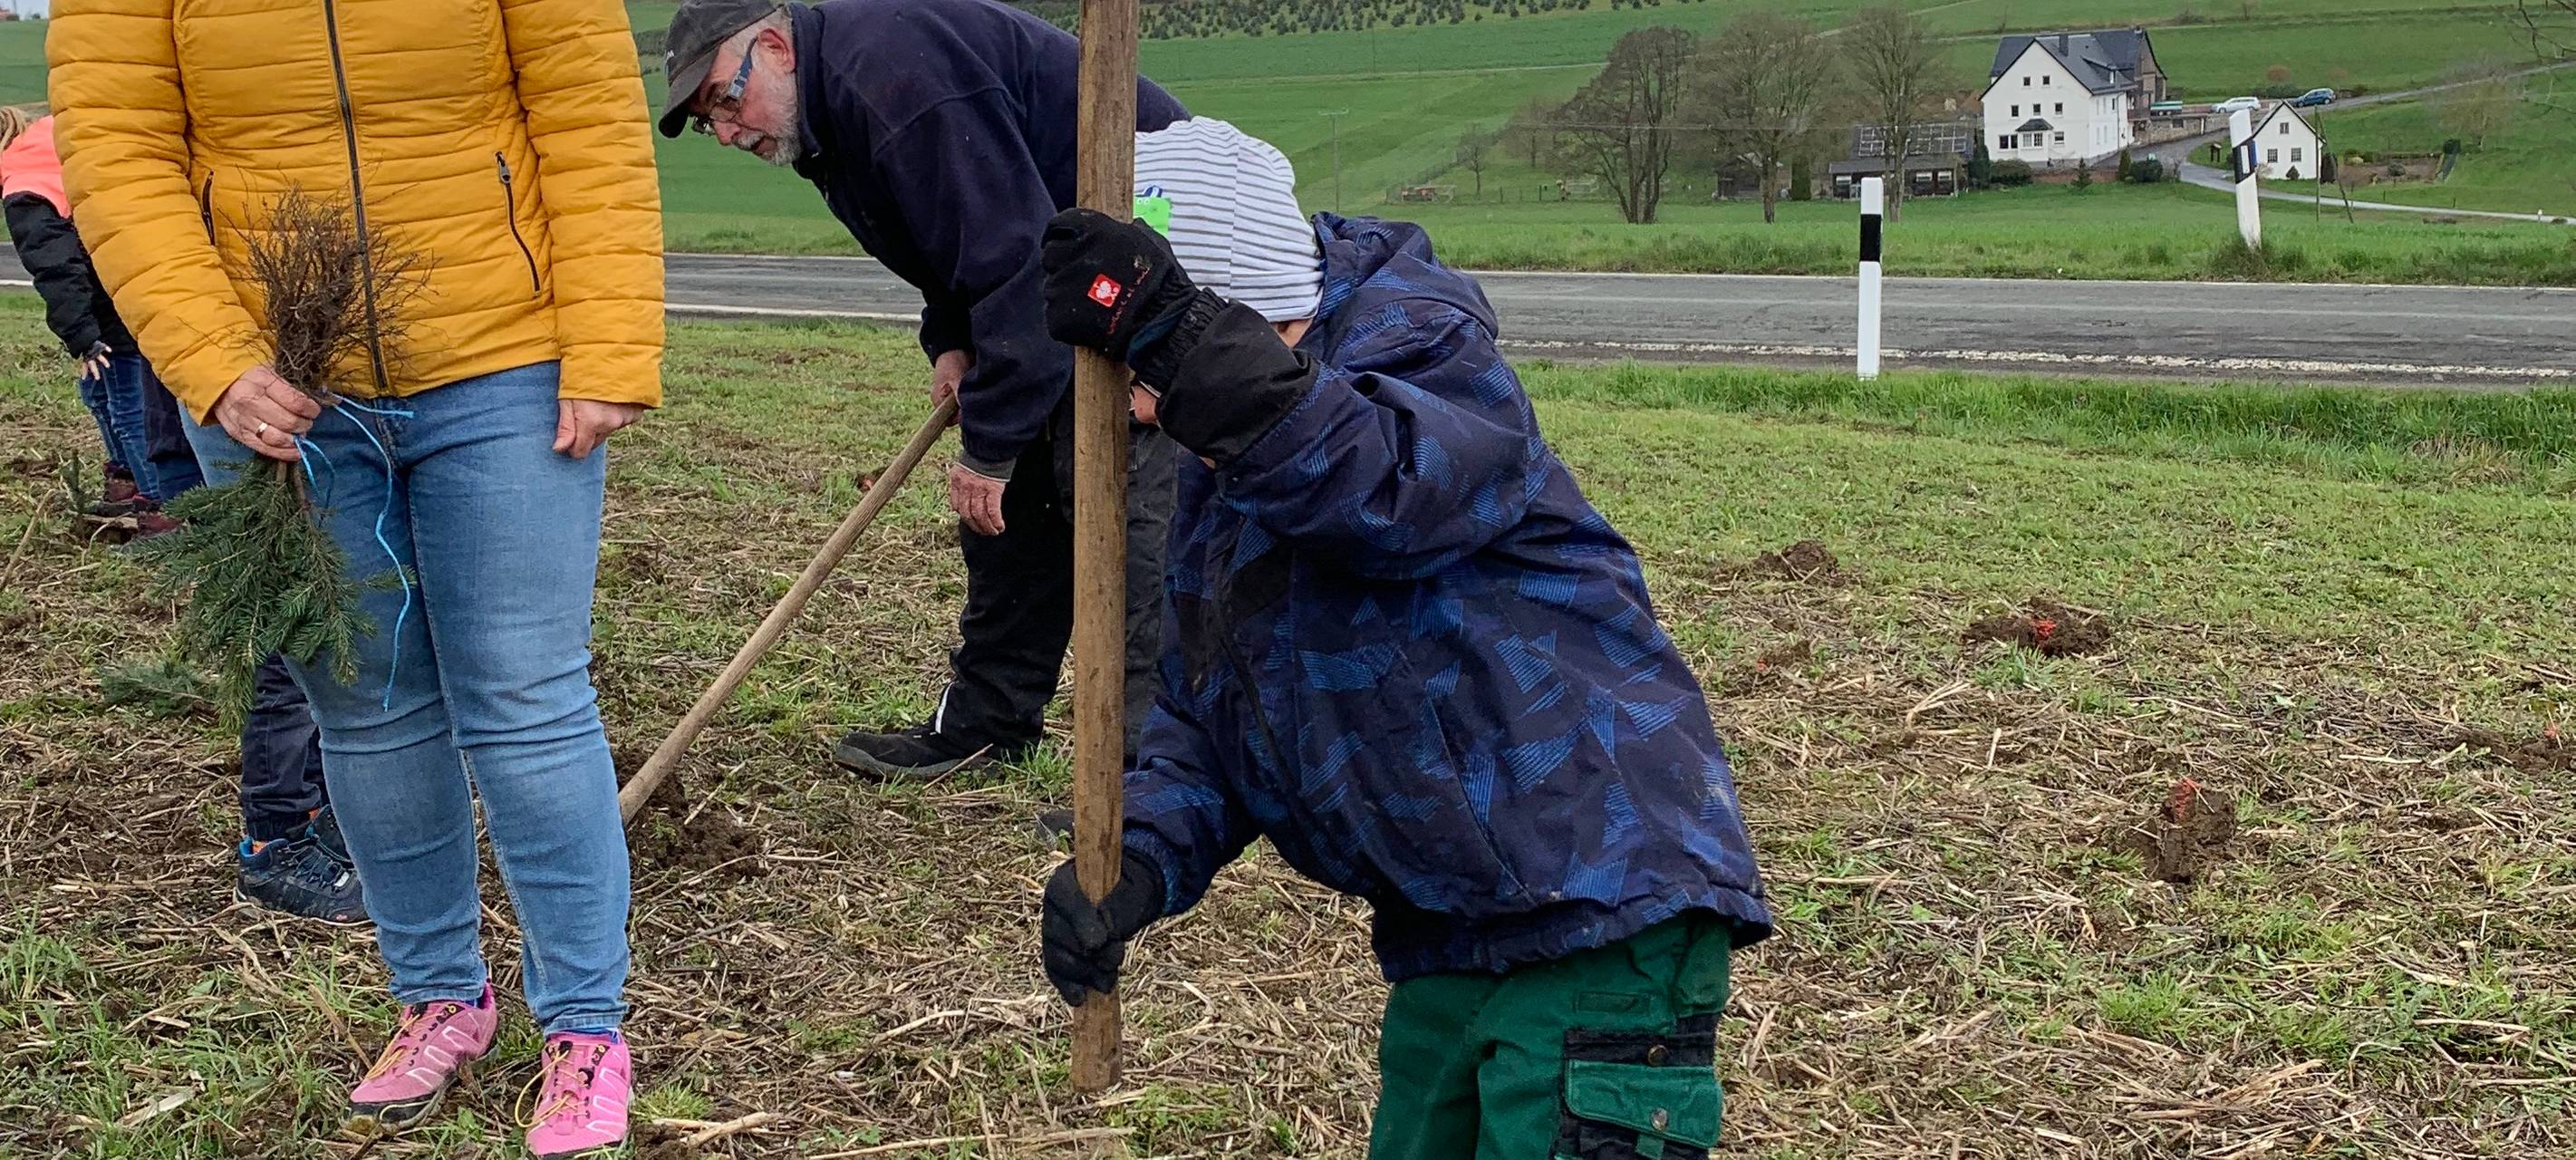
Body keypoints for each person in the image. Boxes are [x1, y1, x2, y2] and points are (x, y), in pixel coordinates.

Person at [1035, 121, 1773, 1158]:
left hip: (1600, 906)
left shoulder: (1423, 361)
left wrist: (1177, 340)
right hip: (1447, 931)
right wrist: (1140, 858)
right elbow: (1217, 710)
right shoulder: (1217, 472)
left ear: (1234, 317)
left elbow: (1380, 487)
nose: (1136, 410)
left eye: (1145, 373)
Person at [52, 0, 664, 1152]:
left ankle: (585, 1027)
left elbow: (586, 108)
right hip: (274, 378)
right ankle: (439, 996)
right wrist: (212, 359)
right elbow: (121, 152)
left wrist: (612, 338)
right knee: (366, 702)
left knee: (527, 694)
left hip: (504, 356)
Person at [658, 0, 1188, 778]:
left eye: (726, 102)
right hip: (1060, 277)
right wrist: (954, 339)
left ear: (774, 47)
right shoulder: (830, 110)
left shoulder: (889, 81)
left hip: (1150, 259)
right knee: (1015, 508)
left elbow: (1011, 258)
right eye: (712, 123)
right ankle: (986, 726)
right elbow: (950, 237)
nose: (730, 132)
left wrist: (989, 447)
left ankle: (1151, 781)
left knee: (1122, 518)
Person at [0, 106, 359, 925]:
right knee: (286, 629)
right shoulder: (108, 174)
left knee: (324, 625)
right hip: (213, 424)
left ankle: (328, 806)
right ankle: (277, 837)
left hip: (224, 409)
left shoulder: (94, 156)